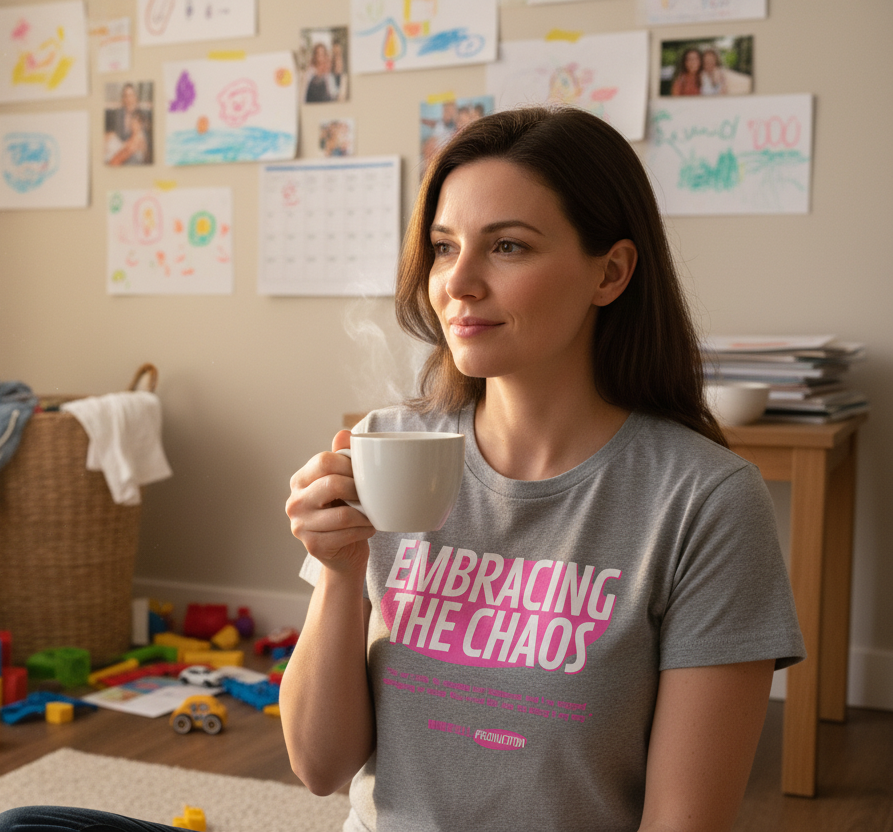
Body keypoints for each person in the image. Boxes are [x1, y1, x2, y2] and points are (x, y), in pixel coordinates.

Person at [281, 107, 804, 832]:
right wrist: (339, 570)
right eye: (442, 247)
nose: (457, 282)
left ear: (611, 273)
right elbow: (320, 767)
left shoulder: (703, 501)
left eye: (507, 247)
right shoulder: (383, 446)